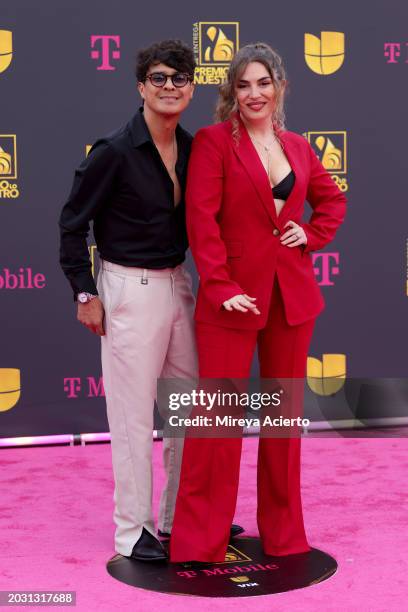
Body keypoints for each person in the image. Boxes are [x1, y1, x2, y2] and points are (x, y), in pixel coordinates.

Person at [170, 42, 347, 563]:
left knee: (283, 425)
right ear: (231, 91)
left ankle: (285, 535)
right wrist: (221, 287)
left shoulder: (297, 145)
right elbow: (201, 222)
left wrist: (310, 234)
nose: (254, 93)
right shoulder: (212, 142)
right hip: (232, 302)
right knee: (217, 423)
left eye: (263, 83)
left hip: (291, 301)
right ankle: (201, 540)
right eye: (243, 84)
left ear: (280, 88)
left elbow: (332, 201)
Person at [59, 40, 199, 562]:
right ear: (141, 86)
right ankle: (133, 531)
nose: (169, 87)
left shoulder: (192, 146)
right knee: (134, 417)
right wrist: (84, 290)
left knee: (189, 413)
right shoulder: (113, 151)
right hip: (126, 288)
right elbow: (72, 225)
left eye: (179, 78)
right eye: (159, 78)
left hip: (178, 284)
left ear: (191, 87)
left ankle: (182, 516)